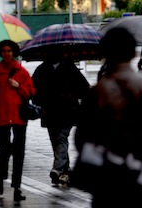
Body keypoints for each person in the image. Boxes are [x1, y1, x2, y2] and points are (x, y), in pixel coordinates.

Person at [75, 28, 142, 207]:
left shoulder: (97, 93)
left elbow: (82, 138)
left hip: (107, 180)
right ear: (134, 53)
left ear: (104, 53)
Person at [32, 49, 90, 186]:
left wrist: (72, 95)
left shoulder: (69, 68)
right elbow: (33, 89)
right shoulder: (42, 70)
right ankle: (65, 170)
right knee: (56, 140)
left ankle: (57, 168)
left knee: (61, 138)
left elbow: (84, 87)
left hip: (67, 110)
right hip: (50, 111)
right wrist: (40, 102)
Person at [0, 40, 35, 202]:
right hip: (1, 116)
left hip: (18, 116)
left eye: (10, 51)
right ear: (0, 53)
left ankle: (17, 186)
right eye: (4, 51)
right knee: (4, 149)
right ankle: (1, 176)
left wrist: (18, 86)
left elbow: (30, 92)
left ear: (13, 52)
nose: (7, 53)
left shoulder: (21, 72)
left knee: (19, 152)